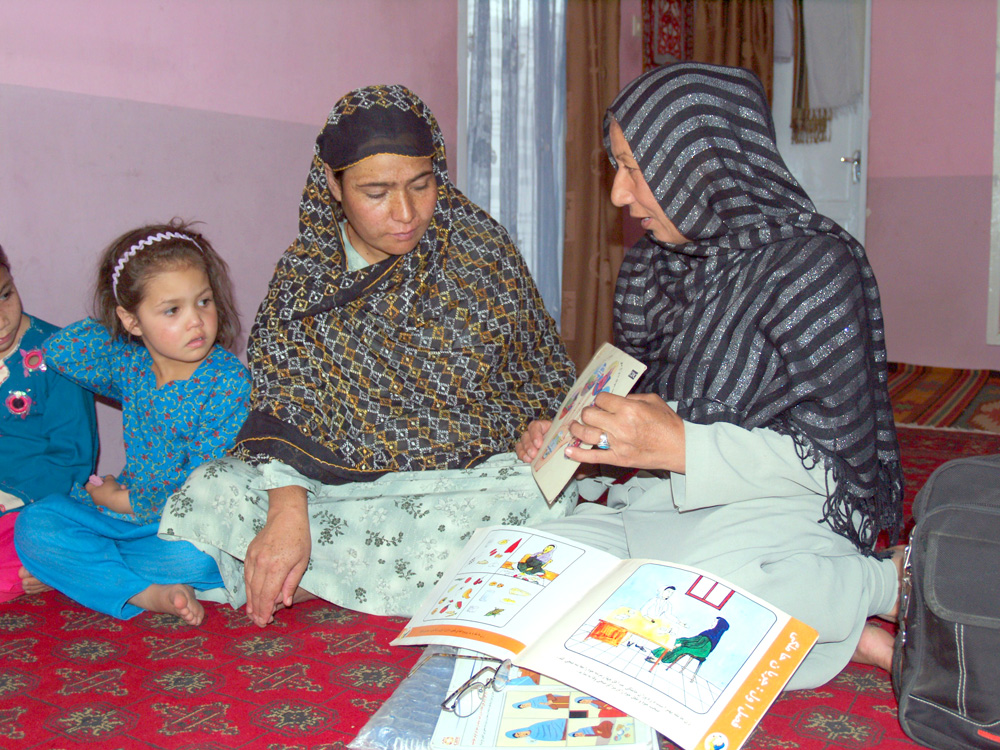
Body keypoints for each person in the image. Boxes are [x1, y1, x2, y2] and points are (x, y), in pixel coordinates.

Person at [516, 63, 904, 689]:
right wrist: (579, 438)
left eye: (635, 170)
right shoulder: (651, 268)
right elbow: (634, 411)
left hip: (777, 508)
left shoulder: (815, 266)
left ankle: (874, 583)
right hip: (660, 504)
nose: (619, 195)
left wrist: (680, 445)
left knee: (709, 603)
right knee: (533, 562)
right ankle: (832, 626)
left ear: (699, 163)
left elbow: (835, 468)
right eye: (617, 166)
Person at [160, 85, 576, 626]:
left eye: (422, 185)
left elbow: (540, 368)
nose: (405, 213)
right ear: (332, 183)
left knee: (538, 496)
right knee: (212, 487)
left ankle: (310, 578)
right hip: (328, 487)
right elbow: (285, 396)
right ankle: (339, 570)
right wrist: (288, 511)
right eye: (376, 192)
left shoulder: (480, 249)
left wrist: (539, 425)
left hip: (458, 481)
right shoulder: (307, 275)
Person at [14, 223, 250, 624]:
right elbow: (61, 350)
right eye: (173, 310)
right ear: (132, 320)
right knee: (35, 526)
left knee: (196, 557)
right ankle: (147, 592)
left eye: (204, 301)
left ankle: (90, 569)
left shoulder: (227, 382)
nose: (196, 321)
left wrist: (119, 501)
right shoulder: (131, 362)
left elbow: (205, 484)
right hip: (128, 519)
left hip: (194, 527)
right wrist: (116, 323)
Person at [0, 244, 98, 602]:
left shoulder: (58, 356)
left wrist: (11, 500)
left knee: (37, 540)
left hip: (33, 505)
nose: (1, 320)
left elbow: (72, 459)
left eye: (5, 294)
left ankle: (53, 560)